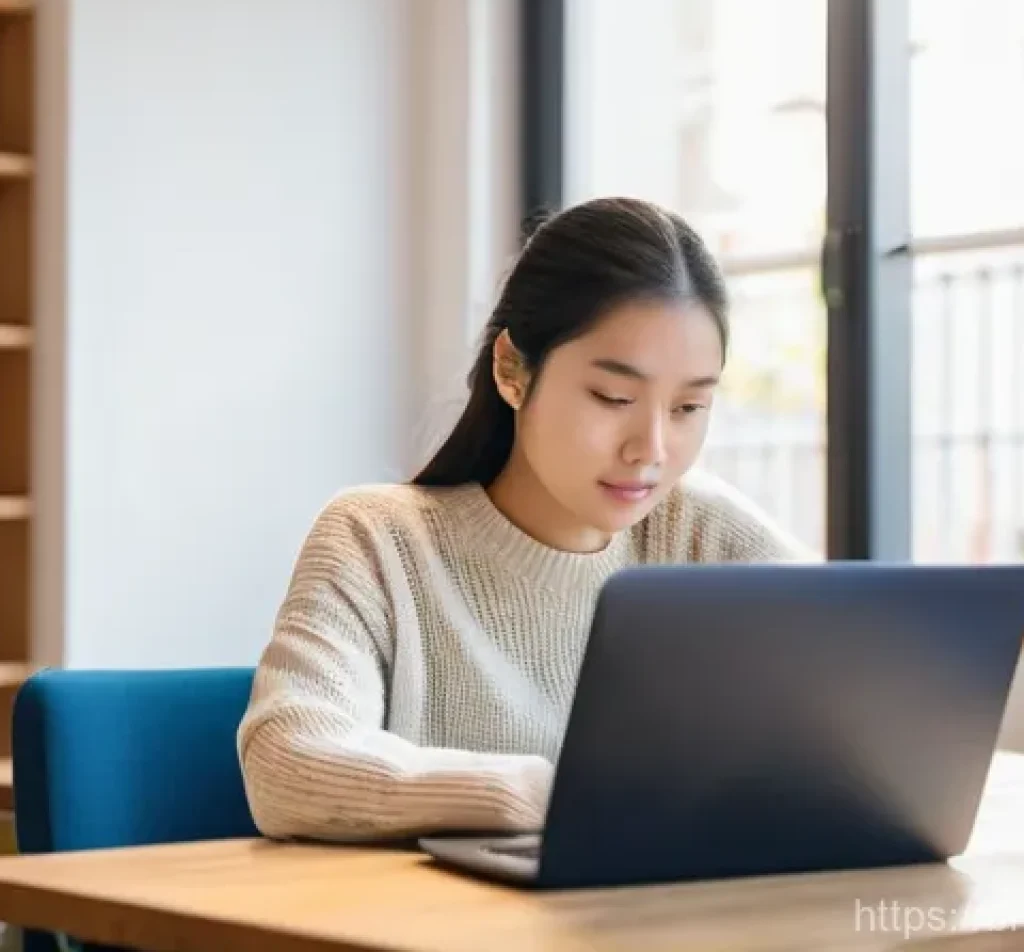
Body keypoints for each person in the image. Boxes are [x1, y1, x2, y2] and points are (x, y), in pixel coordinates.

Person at [237, 196, 812, 843]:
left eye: (688, 408)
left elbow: (857, 716)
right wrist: (549, 794)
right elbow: (285, 764)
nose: (651, 448)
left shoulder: (705, 538)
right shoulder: (377, 540)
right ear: (512, 370)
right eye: (614, 398)